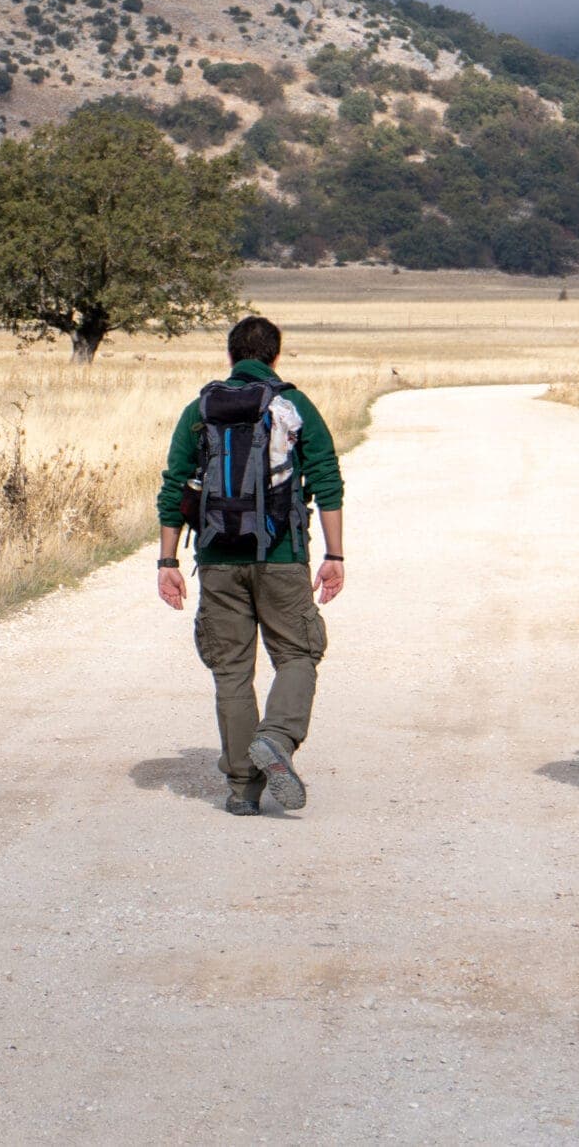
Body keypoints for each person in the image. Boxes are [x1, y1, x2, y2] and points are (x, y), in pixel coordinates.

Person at [155, 315, 346, 815]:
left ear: (230, 355)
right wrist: (334, 555)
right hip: (281, 556)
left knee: (232, 672)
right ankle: (278, 737)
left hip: (217, 561)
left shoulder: (200, 410)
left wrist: (167, 560)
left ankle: (243, 788)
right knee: (299, 652)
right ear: (275, 356)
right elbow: (327, 479)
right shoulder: (293, 404)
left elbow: (175, 487)